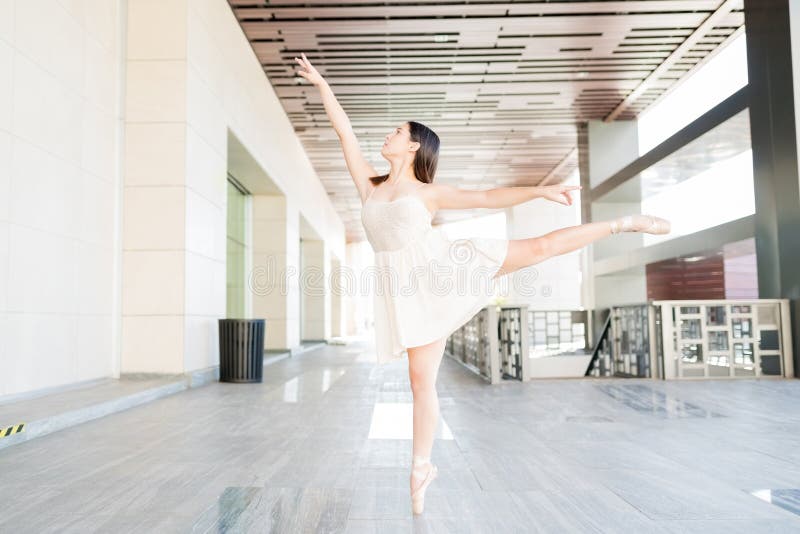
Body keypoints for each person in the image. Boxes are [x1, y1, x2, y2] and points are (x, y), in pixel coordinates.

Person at [294, 52, 670, 515]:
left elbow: (488, 197)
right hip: (407, 289)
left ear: (414, 146)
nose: (388, 135)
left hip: (448, 264)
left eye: (397, 131)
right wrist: (320, 84)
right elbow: (343, 132)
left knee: (540, 247)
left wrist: (537, 190)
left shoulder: (428, 192)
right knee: (419, 382)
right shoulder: (370, 186)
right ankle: (421, 468)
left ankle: (624, 223)